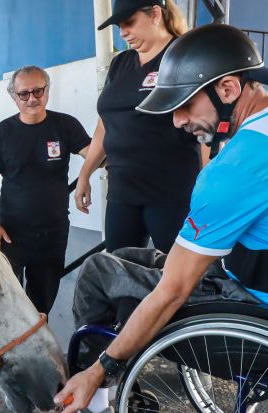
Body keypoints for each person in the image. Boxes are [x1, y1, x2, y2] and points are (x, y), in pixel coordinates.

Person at [53, 24, 268, 413]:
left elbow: (173, 291)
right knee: (126, 259)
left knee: (98, 272)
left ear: (230, 89)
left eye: (184, 105)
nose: (178, 121)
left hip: (256, 319)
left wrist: (100, 367)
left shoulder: (236, 167)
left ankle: (96, 395)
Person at [74, 0, 203, 254]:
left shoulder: (184, 56)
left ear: (155, 14)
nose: (122, 33)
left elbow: (207, 130)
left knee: (179, 275)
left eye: (129, 23)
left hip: (170, 193)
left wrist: (210, 189)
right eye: (119, 26)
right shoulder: (120, 63)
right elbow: (106, 124)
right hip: (122, 190)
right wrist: (84, 174)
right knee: (120, 272)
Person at [0, 65, 91, 313]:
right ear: (14, 97)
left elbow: (95, 155)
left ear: (47, 91)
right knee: (6, 303)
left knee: (41, 306)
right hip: (10, 234)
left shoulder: (65, 126)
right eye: (24, 94)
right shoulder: (2, 132)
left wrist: (85, 176)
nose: (32, 99)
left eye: (38, 91)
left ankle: (36, 350)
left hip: (52, 234)